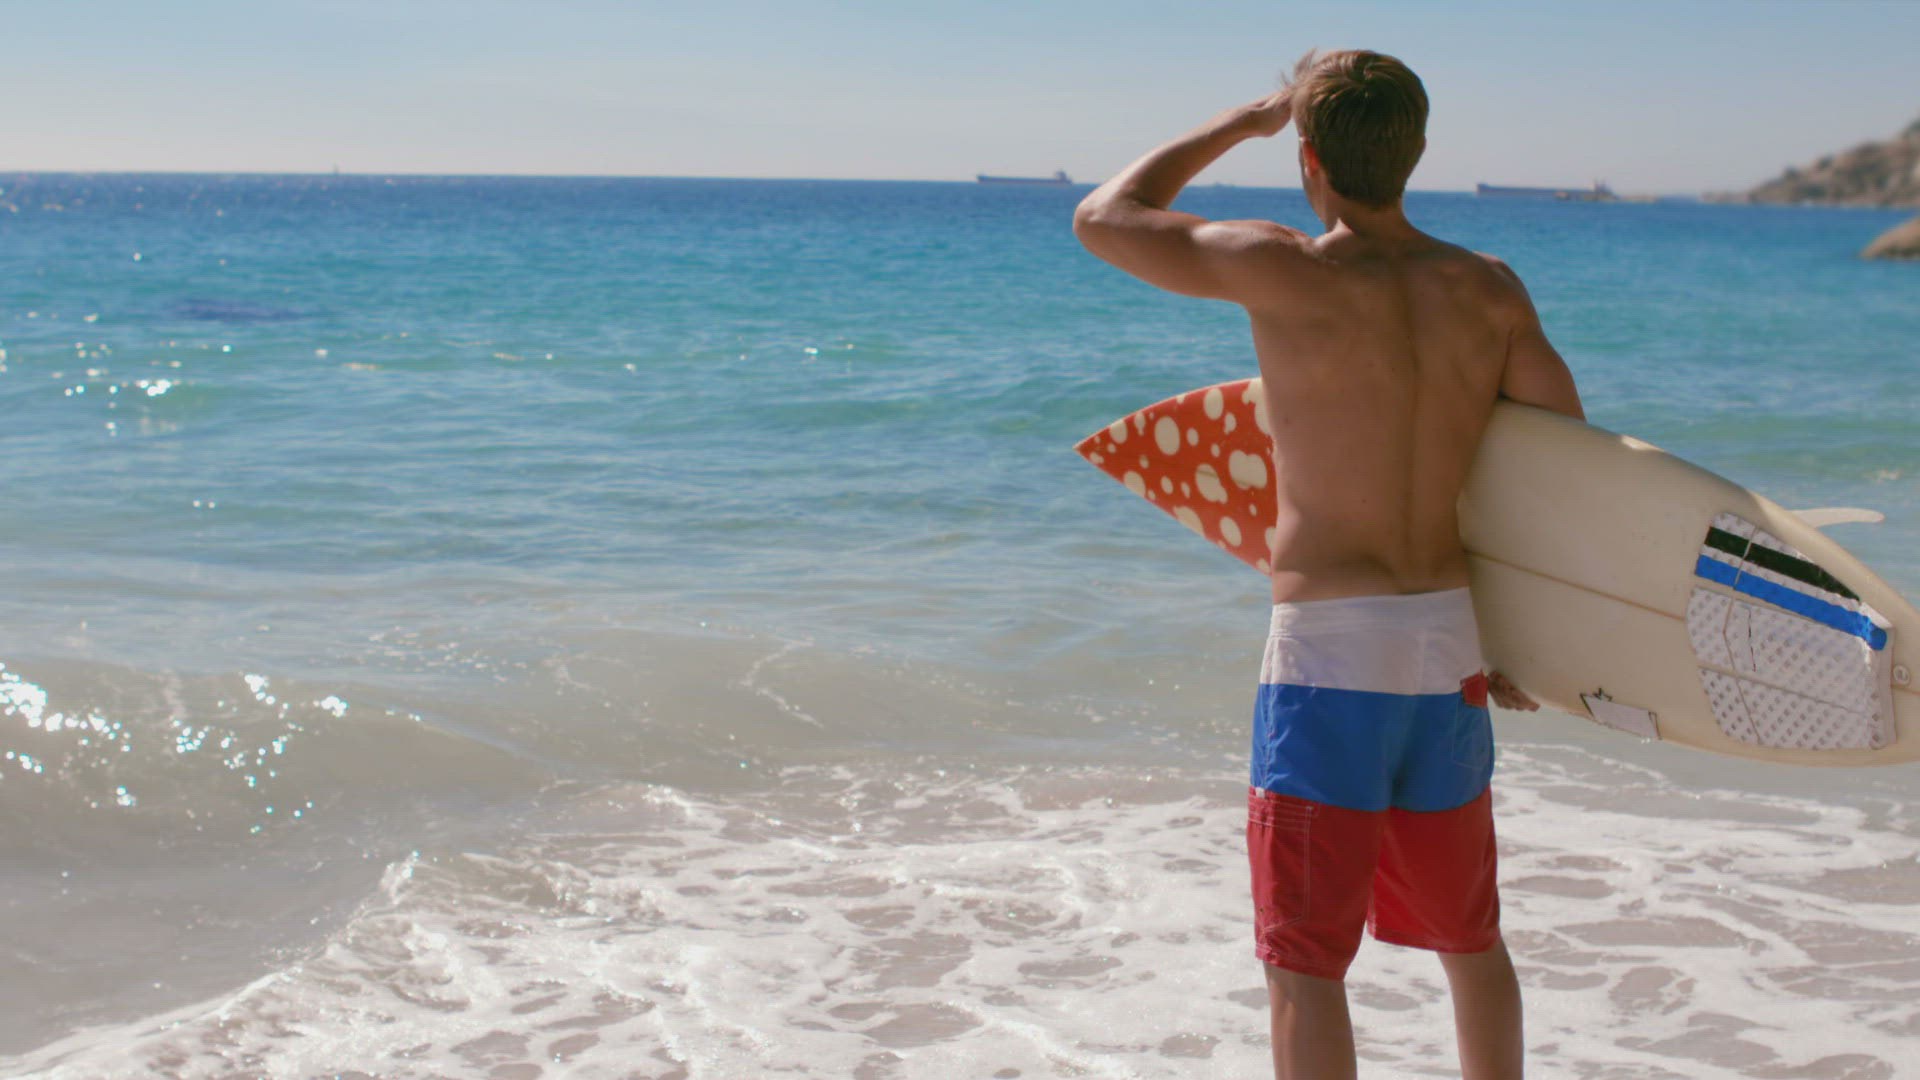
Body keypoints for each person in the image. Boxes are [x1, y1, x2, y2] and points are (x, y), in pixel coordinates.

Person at [1072, 50, 1584, 1080]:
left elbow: (1104, 217)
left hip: (1329, 657)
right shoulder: (1489, 289)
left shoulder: (1282, 267)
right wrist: (1530, 641)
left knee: (1305, 963)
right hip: (1447, 647)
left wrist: (1242, 121)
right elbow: (1559, 469)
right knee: (1471, 940)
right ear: (1419, 151)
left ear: (1308, 157)